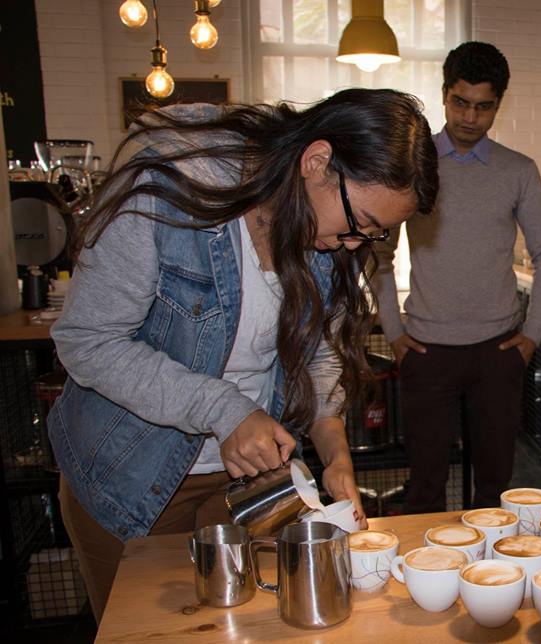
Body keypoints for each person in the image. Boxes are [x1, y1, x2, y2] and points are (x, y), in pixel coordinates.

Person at [48, 89, 438, 621]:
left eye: (375, 234)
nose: (354, 245)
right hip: (128, 478)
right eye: (359, 223)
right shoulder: (167, 193)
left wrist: (334, 449)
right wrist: (224, 409)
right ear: (316, 162)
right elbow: (87, 341)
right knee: (149, 630)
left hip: (248, 485)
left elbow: (320, 356)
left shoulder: (325, 235)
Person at [372, 42, 541, 513]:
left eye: (483, 107)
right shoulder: (413, 166)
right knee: (425, 487)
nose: (470, 118)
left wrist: (532, 335)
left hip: (497, 351)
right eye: (460, 102)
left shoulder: (519, 171)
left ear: (498, 104)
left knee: (495, 490)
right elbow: (379, 255)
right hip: (426, 351)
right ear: (443, 95)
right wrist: (393, 331)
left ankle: (493, 584)